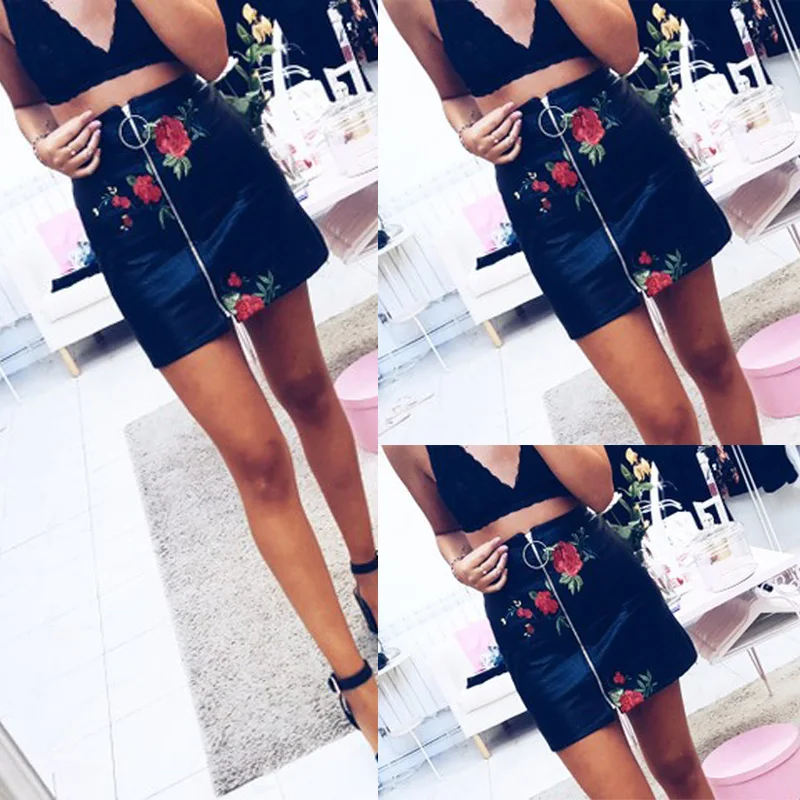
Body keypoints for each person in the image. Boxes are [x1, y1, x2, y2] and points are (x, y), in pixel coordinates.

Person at [0, 0, 377, 751]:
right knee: (256, 457)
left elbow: (211, 52)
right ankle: (352, 678)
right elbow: (28, 108)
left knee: (306, 388)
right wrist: (45, 147)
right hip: (130, 226)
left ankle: (370, 570)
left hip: (225, 175)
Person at [384, 0, 763, 445]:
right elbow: (452, 96)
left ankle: (754, 470)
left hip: (640, 165)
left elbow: (624, 51)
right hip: (550, 213)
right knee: (664, 418)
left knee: (711, 358)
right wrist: (469, 134)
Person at [385, 444, 714, 799]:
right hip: (533, 636)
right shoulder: (404, 443)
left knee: (678, 768)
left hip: (615, 595)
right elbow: (444, 531)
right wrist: (459, 567)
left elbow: (601, 493)